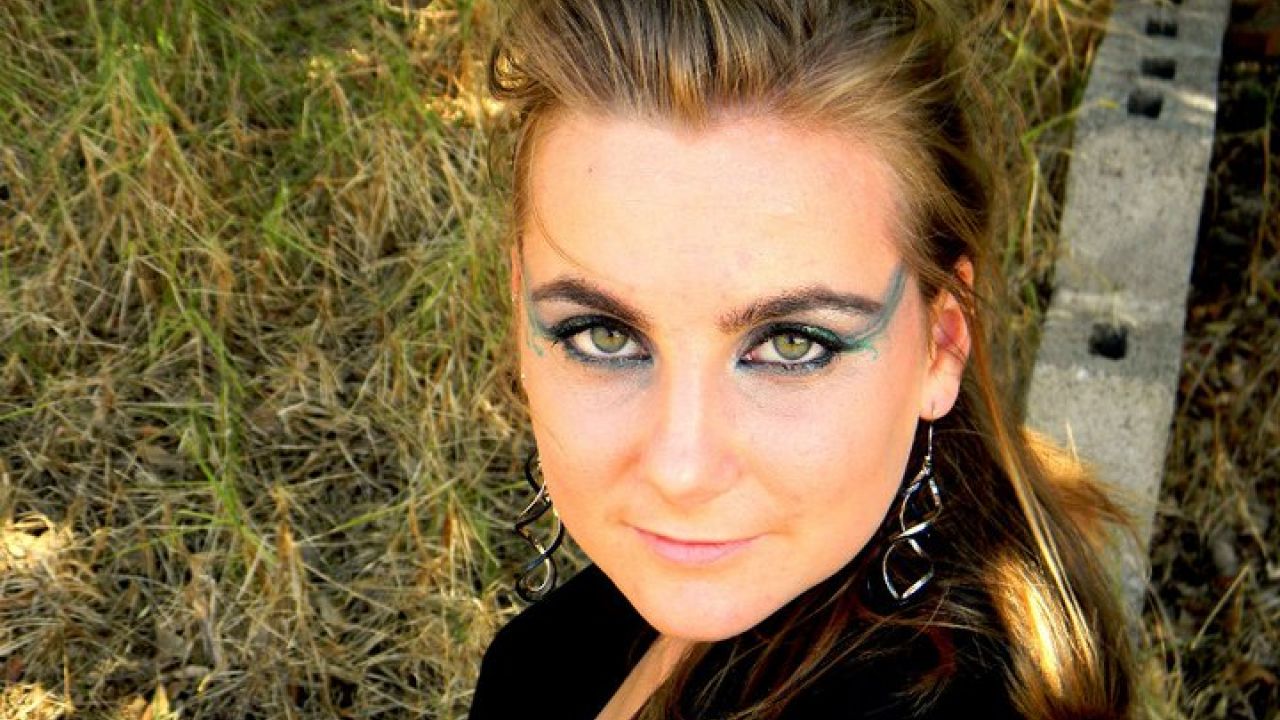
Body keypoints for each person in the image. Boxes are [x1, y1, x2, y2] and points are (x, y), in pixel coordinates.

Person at [470, 1, 1135, 718]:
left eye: (793, 345)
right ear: (519, 302)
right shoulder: (597, 638)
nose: (681, 471)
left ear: (941, 344)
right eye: (602, 335)